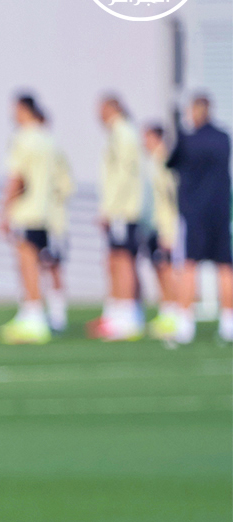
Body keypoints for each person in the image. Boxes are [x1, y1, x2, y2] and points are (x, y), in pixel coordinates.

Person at [167, 93, 233, 343]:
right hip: (219, 211)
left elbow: (170, 162)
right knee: (225, 267)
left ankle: (185, 324)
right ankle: (229, 323)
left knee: (189, 266)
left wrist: (178, 134)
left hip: (194, 213)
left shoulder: (188, 140)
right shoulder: (223, 138)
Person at [0, 93, 58, 345]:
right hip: (43, 209)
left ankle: (34, 316)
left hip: (26, 210)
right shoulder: (46, 138)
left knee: (27, 263)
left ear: (24, 110)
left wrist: (4, 210)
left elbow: (17, 178)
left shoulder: (23, 138)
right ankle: (30, 313)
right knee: (34, 263)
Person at [91, 95, 146, 341]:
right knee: (114, 259)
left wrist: (110, 208)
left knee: (124, 259)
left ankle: (128, 316)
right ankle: (117, 312)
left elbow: (124, 175)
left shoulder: (123, 133)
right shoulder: (117, 134)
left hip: (123, 210)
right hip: (118, 210)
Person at [142, 124, 191, 345]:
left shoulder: (165, 160)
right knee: (159, 268)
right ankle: (167, 309)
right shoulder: (152, 161)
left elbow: (173, 196)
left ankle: (175, 311)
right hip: (154, 223)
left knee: (169, 268)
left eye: (147, 137)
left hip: (167, 225)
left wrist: (171, 230)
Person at [39, 106, 73, 335]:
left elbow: (67, 185)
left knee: (53, 266)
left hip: (53, 221)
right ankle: (42, 312)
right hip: (37, 218)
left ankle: (58, 316)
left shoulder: (53, 151)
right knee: (37, 264)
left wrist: (49, 198)